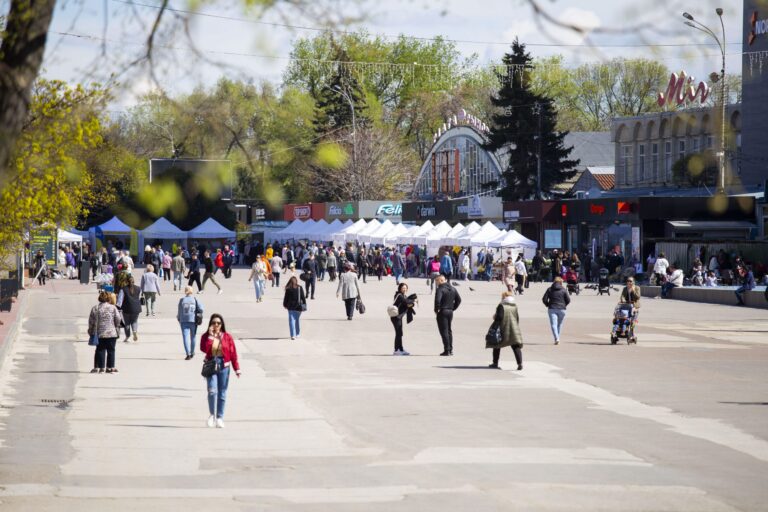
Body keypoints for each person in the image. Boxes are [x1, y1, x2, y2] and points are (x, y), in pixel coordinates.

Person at [200, 314, 241, 428]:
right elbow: (204, 349)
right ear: (210, 324)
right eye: (214, 323)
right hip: (211, 365)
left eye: (218, 323)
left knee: (222, 393)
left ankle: (219, 417)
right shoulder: (206, 336)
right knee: (212, 391)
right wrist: (211, 337)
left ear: (222, 324)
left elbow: (233, 353)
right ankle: (212, 415)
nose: (216, 325)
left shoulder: (227, 337)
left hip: (224, 366)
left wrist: (236, 368)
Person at [88, 290, 122, 374]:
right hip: (111, 332)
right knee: (111, 350)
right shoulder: (113, 308)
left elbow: (91, 321)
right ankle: (110, 367)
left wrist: (91, 331)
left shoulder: (95, 308)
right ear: (108, 298)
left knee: (100, 349)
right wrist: (117, 328)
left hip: (100, 333)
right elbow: (118, 319)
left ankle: (101, 367)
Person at [488, 291, 523, 370]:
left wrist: (495, 318)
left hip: (503, 327)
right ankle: (520, 363)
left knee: (497, 344)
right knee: (515, 345)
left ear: (504, 297)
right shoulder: (514, 305)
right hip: (513, 327)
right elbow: (517, 317)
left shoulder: (502, 305)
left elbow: (499, 317)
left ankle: (495, 363)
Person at [434, 275, 461, 356]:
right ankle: (450, 349)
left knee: (444, 331)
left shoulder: (440, 289)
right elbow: (459, 300)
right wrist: (453, 308)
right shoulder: (453, 288)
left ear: (441, 281)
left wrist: (436, 309)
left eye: (437, 281)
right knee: (449, 330)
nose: (436, 283)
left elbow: (437, 300)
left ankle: (447, 350)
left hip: (442, 311)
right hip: (450, 311)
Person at [542, 276, 570, 345]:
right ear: (561, 282)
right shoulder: (563, 290)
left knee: (553, 324)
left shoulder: (549, 289)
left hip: (552, 308)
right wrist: (564, 305)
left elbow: (544, 299)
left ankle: (557, 338)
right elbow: (568, 300)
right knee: (559, 324)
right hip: (562, 309)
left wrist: (548, 305)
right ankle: (557, 338)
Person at [391, 282, 416, 356]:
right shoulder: (399, 295)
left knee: (400, 333)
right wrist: (414, 301)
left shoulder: (403, 295)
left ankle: (401, 349)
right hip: (396, 317)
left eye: (406, 288)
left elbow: (408, 304)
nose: (404, 289)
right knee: (398, 333)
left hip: (398, 317)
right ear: (400, 288)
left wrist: (412, 303)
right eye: (403, 288)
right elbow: (406, 302)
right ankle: (396, 350)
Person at [177, 286, 202, 359]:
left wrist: (179, 318)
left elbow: (179, 311)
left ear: (185, 291)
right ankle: (192, 352)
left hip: (183, 320)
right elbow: (201, 309)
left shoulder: (182, 300)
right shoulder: (195, 299)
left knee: (185, 337)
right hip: (193, 320)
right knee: (193, 336)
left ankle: (187, 354)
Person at [117, 275, 142, 342]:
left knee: (127, 323)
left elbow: (120, 300)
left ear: (126, 281)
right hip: (136, 308)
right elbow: (139, 297)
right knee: (134, 321)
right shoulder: (139, 288)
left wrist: (117, 307)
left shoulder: (123, 289)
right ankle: (134, 331)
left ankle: (127, 336)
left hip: (126, 308)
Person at [282, 276, 306, 340]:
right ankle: (297, 333)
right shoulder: (299, 288)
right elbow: (303, 297)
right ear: (296, 281)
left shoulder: (288, 289)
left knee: (291, 321)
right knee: (297, 320)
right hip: (298, 307)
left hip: (290, 307)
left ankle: (293, 335)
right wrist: (304, 305)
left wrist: (284, 304)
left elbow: (286, 298)